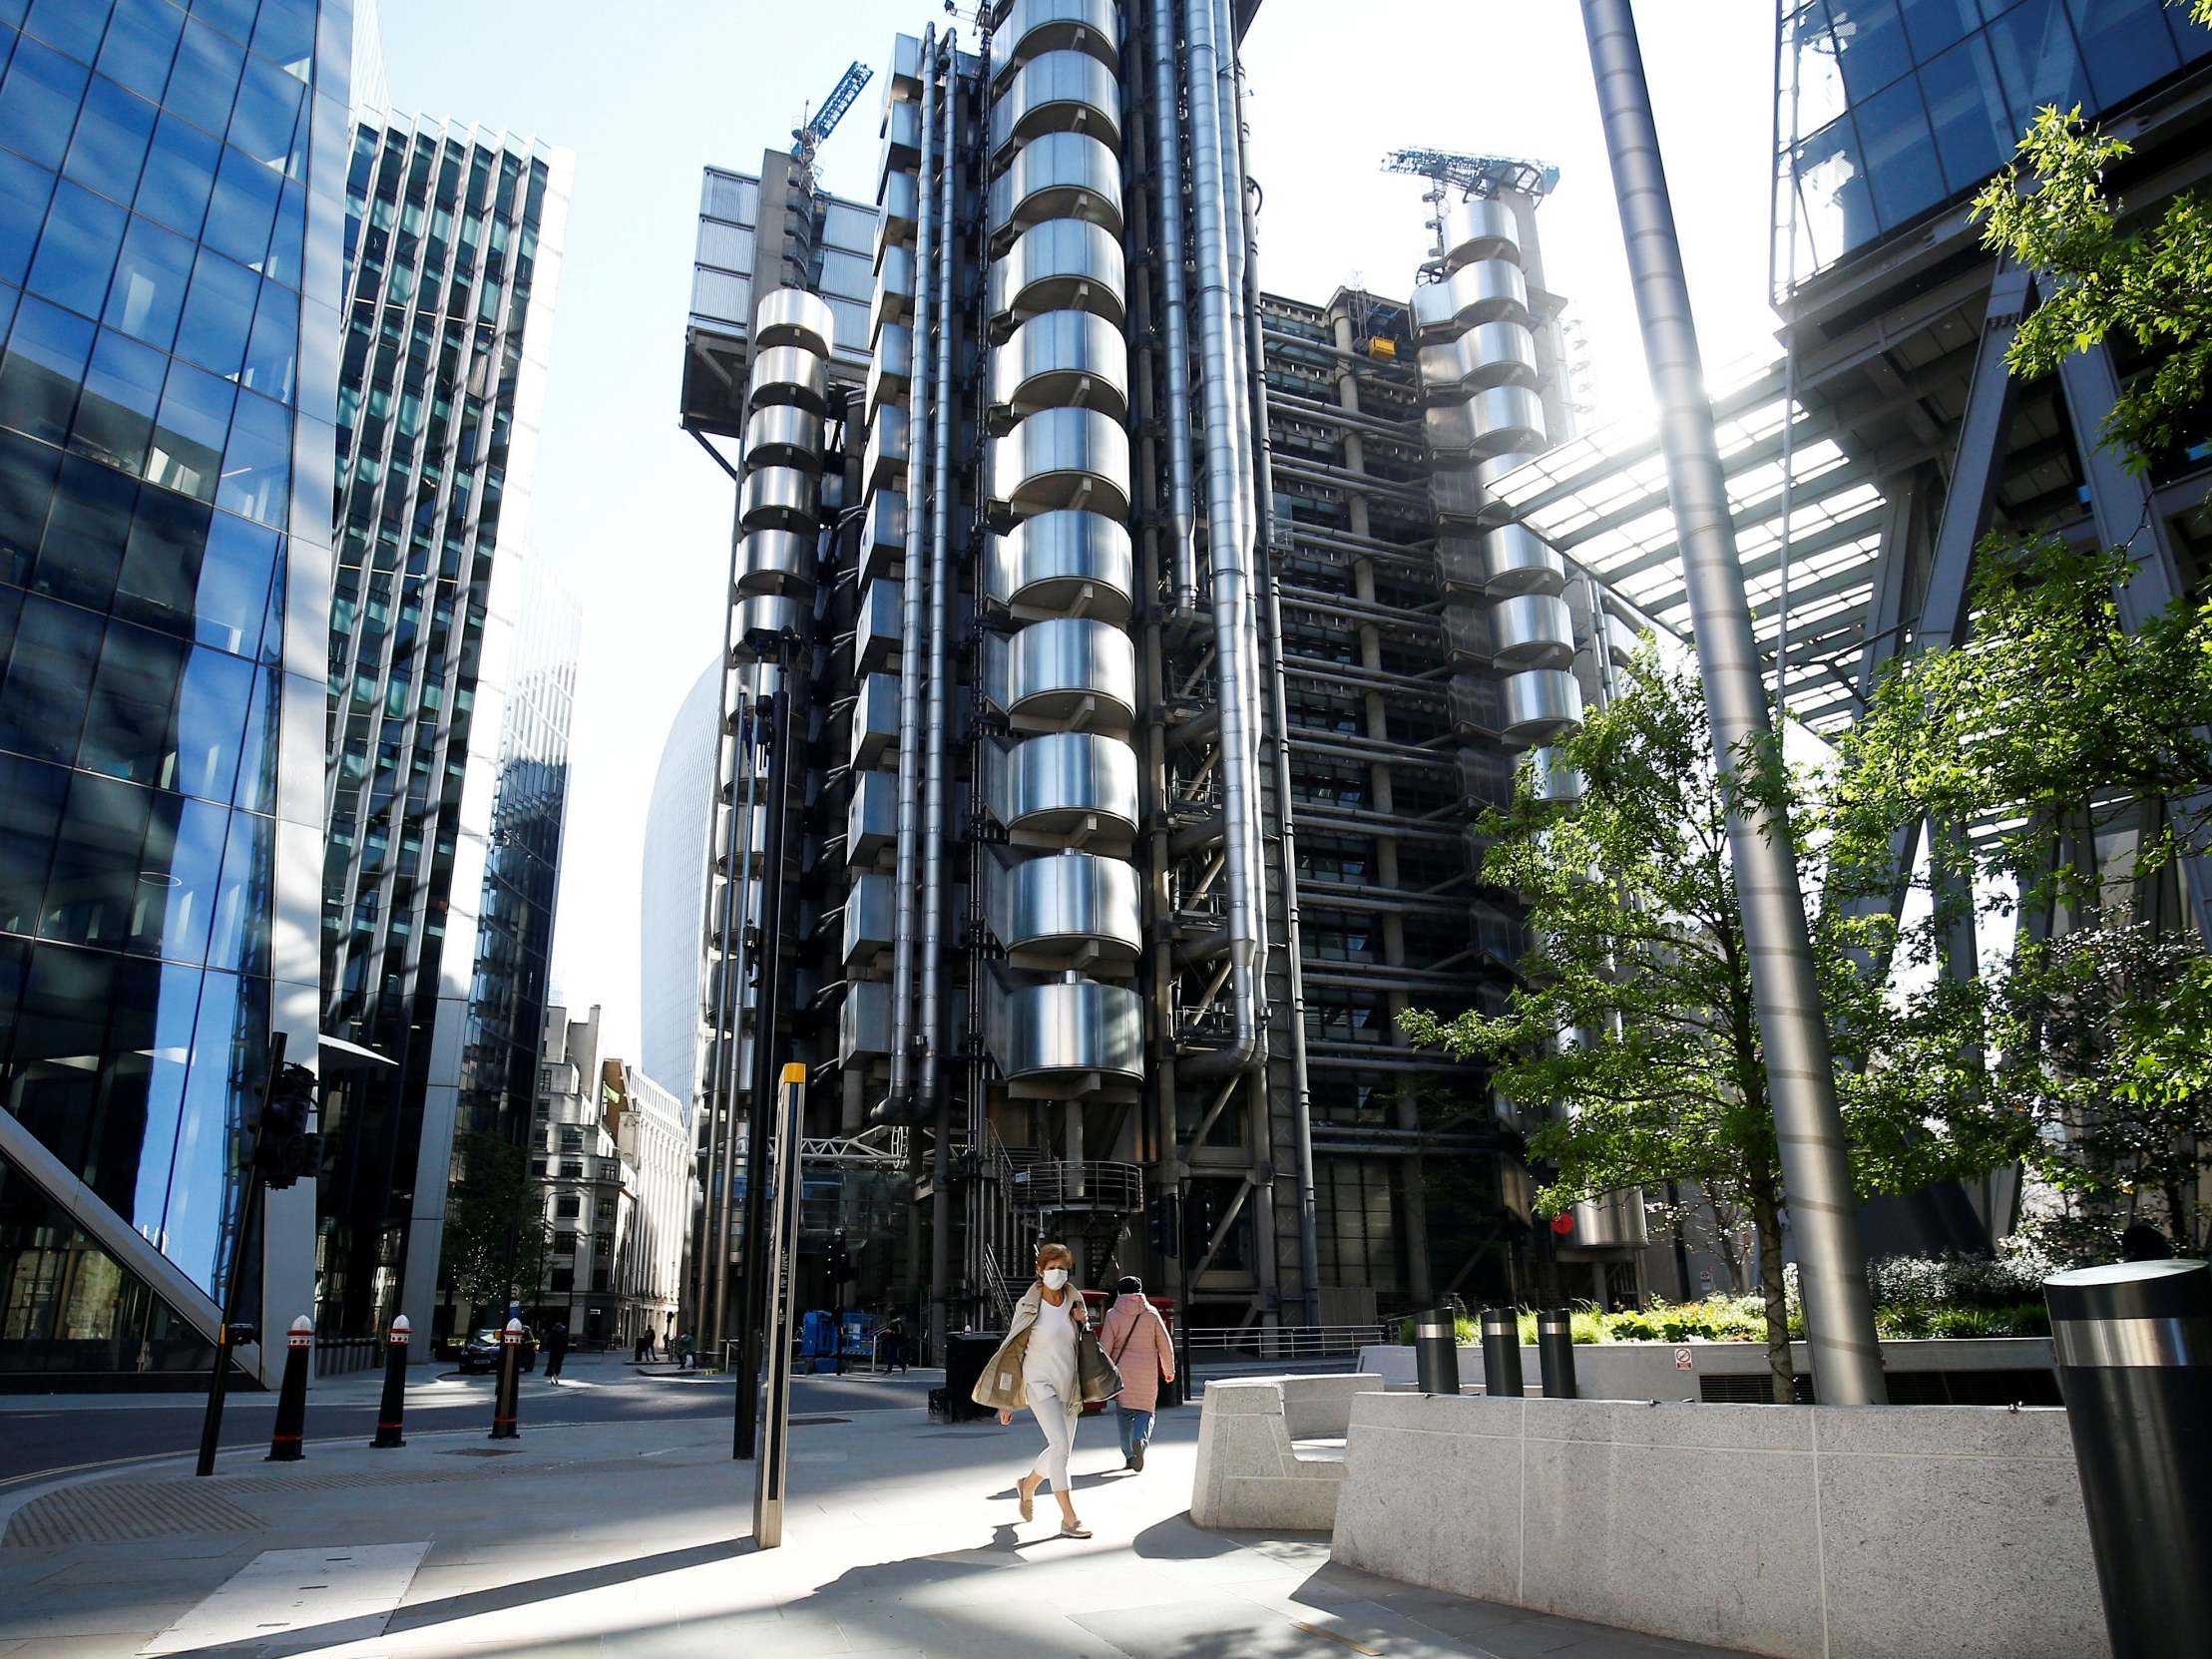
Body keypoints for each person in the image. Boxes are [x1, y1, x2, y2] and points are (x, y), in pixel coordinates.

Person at [973, 1242, 1093, 1539]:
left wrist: (1084, 1322)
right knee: (1060, 1446)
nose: (1058, 1273)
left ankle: (1027, 1485)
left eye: (1062, 1268)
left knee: (1060, 1452)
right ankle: (1069, 1519)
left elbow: (1084, 1345)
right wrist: (1007, 1402)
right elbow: (1013, 1351)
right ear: (1040, 1271)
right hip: (1039, 1383)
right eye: (1051, 1268)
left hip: (1069, 1385)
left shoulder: (1074, 1301)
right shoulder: (1028, 1305)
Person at [1098, 1275, 1174, 1472]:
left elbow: (1104, 1346)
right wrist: (1169, 1370)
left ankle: (1129, 1456)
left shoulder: (1113, 1314)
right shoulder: (1151, 1313)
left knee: (1124, 1415)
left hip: (1122, 1372)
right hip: (1146, 1373)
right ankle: (1140, 1440)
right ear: (1140, 1291)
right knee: (1146, 1412)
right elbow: (1165, 1345)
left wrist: (1101, 1373)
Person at [543, 1318, 570, 1385]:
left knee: (551, 1363)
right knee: (558, 1364)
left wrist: (548, 1347)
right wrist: (565, 1350)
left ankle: (552, 1376)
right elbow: (565, 1343)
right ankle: (556, 1376)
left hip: (553, 1351)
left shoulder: (552, 1333)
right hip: (560, 1351)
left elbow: (548, 1342)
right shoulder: (563, 1334)